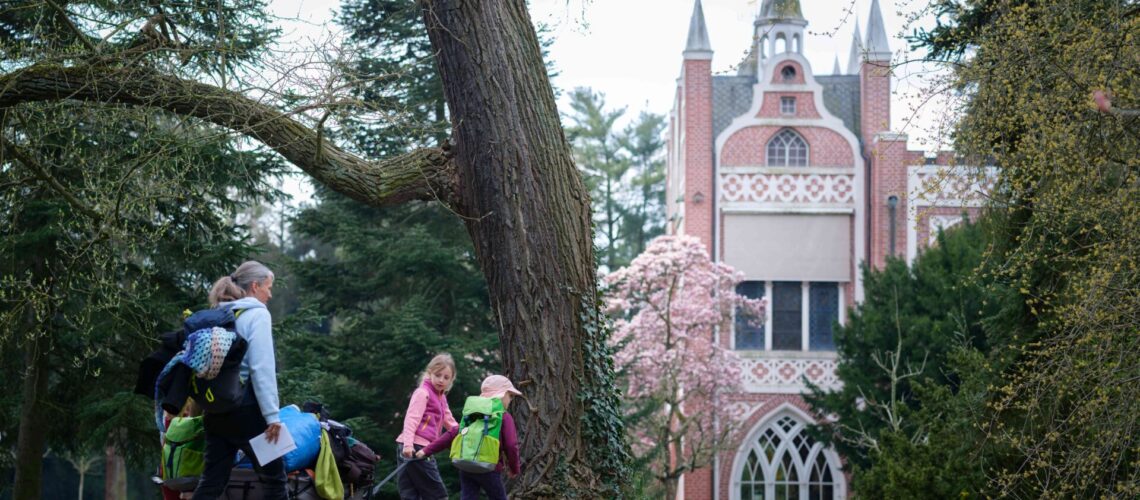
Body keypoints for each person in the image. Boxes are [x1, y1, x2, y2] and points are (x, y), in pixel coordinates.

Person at [192, 261, 286, 500]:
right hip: (250, 412)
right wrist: (272, 417)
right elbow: (261, 368)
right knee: (275, 480)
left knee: (212, 482)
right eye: (268, 287)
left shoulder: (219, 313)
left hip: (216, 409)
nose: (270, 294)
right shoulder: (257, 314)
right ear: (255, 286)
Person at [416, 375, 521, 500]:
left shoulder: (471, 414)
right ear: (502, 394)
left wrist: (425, 451)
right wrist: (514, 468)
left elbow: (451, 434)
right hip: (489, 468)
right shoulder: (503, 416)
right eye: (510, 396)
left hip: (466, 465)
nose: (510, 400)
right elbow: (511, 445)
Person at [396, 353, 459, 500]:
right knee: (437, 494)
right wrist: (408, 445)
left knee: (410, 494)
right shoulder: (422, 393)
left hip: (417, 446)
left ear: (451, 380)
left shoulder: (441, 397)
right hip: (415, 447)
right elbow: (411, 419)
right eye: (438, 375)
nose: (441, 380)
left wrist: (465, 433)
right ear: (429, 373)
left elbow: (449, 421)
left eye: (446, 377)